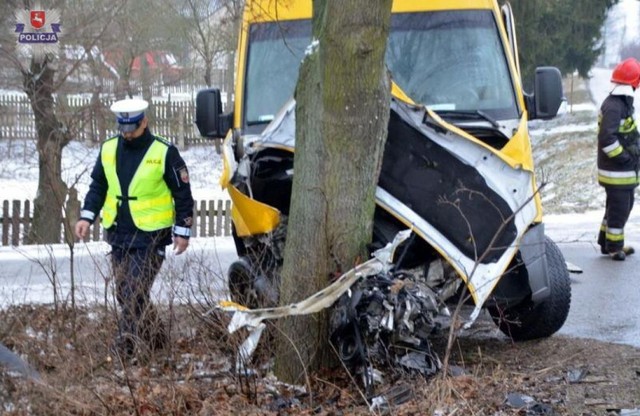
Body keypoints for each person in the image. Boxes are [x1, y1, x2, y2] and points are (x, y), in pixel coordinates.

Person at [75, 98, 194, 358]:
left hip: (152, 236)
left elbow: (183, 193)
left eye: (132, 129)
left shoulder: (164, 151)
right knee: (125, 293)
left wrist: (183, 231)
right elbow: (98, 186)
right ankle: (158, 340)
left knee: (133, 291)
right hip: (119, 233)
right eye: (123, 129)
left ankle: (124, 349)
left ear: (144, 122)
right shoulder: (108, 149)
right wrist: (87, 217)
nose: (127, 134)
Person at [596, 58, 640, 261]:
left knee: (616, 207)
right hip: (617, 171)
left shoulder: (620, 102)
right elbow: (607, 138)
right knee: (620, 208)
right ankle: (614, 247)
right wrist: (624, 158)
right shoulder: (614, 106)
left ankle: (607, 243)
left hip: (621, 170)